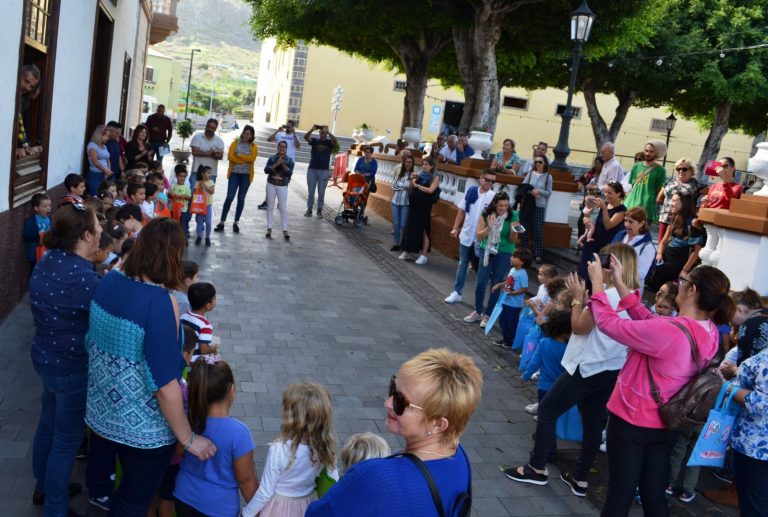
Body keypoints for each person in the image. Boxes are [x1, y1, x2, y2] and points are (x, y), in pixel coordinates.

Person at [85, 218, 217, 515]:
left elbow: (89, 342)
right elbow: (165, 384)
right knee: (133, 502)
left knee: (122, 496)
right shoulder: (160, 302)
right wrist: (189, 439)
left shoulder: (108, 281)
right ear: (173, 256)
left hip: (102, 415)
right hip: (144, 432)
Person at [587, 262, 734, 516]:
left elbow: (610, 325)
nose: (679, 285)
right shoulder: (708, 330)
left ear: (692, 290)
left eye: (683, 282)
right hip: (669, 422)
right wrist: (620, 285)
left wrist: (598, 286)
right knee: (653, 492)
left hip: (633, 421)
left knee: (620, 493)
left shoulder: (670, 330)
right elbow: (652, 323)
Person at [504, 244, 638, 499]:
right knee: (592, 424)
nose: (595, 264)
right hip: (610, 368)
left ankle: (537, 467)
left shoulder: (608, 295)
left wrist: (578, 299)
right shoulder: (634, 297)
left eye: (601, 260)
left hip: (587, 366)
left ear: (612, 265)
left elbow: (578, 327)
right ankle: (580, 477)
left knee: (547, 410)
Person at [306, 348, 482, 516]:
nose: (388, 403)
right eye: (392, 389)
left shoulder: (376, 477)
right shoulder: (459, 456)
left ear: (438, 424)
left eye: (401, 401)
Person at [28, 202, 102, 516]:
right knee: (65, 441)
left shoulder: (50, 260)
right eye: (97, 225)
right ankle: (56, 507)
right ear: (85, 235)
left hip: (46, 360)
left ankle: (44, 486)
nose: (101, 229)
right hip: (72, 369)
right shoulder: (83, 278)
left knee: (47, 425)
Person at [173, 358, 257, 517]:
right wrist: (259, 510)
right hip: (219, 508)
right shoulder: (239, 433)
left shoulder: (189, 421)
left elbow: (179, 450)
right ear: (231, 390)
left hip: (184, 496)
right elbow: (246, 480)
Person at [242, 383, 338, 517]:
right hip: (307, 505)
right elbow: (333, 480)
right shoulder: (325, 447)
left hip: (277, 509)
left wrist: (246, 513)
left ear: (292, 418)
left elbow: (265, 492)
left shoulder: (278, 449)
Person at [463, 191, 521, 327]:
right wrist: (489, 227)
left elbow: (513, 240)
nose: (503, 208)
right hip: (487, 250)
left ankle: (488, 314)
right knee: (481, 283)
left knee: (496, 284)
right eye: (501, 205)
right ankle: (478, 310)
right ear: (494, 204)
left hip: (504, 252)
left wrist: (514, 231)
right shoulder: (486, 214)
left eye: (506, 205)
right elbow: (479, 237)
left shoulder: (513, 215)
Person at [444, 169, 498, 303]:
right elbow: (462, 211)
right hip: (466, 235)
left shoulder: (494, 197)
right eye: (488, 180)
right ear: (481, 178)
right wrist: (455, 228)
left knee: (481, 271)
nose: (490, 183)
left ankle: (479, 301)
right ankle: (457, 292)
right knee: (463, 265)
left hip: (482, 239)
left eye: (493, 181)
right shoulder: (472, 192)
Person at [729, 347, 768, 516]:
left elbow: (762, 405)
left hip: (757, 447)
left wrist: (728, 388)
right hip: (754, 445)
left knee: (754, 507)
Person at [647, 192, 703, 292]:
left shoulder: (693, 223)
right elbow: (664, 242)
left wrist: (684, 270)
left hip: (679, 258)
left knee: (661, 274)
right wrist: (659, 253)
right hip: (668, 254)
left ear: (684, 203)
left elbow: (696, 251)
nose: (671, 204)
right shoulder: (674, 219)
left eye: (674, 201)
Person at [578, 181, 626, 289]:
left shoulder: (621, 210)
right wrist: (587, 221)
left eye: (610, 193)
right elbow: (595, 219)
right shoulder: (605, 204)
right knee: (583, 272)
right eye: (605, 192)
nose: (606, 195)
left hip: (605, 248)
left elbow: (608, 225)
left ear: (618, 194)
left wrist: (604, 209)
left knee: (597, 276)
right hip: (592, 242)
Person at [215, 125, 258, 233]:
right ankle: (222, 222)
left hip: (246, 176)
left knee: (241, 199)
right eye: (244, 132)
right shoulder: (235, 143)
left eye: (248, 134)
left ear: (251, 136)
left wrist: (238, 155)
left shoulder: (253, 147)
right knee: (229, 197)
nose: (245, 135)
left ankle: (236, 222)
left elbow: (252, 159)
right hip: (234, 174)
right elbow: (230, 157)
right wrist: (244, 160)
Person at [398, 157, 441, 265]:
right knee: (410, 227)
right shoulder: (419, 174)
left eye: (426, 164)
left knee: (424, 230)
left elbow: (431, 190)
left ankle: (424, 255)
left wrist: (417, 185)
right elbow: (410, 188)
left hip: (424, 207)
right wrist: (412, 181)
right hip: (414, 206)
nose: (424, 166)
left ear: (431, 166)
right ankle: (407, 250)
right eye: (423, 164)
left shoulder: (435, 177)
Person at [491, 247, 533, 348]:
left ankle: (510, 341)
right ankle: (506, 338)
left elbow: (524, 289)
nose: (511, 258)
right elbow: (509, 281)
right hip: (506, 302)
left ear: (521, 262)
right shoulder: (512, 270)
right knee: (502, 321)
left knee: (511, 323)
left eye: (514, 257)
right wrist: (499, 285)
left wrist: (512, 293)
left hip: (514, 305)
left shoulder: (523, 274)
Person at [610, 207, 656, 292]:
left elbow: (641, 274)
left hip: (630, 289)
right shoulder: (621, 235)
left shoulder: (647, 247)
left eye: (631, 222)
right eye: (625, 220)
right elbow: (608, 254)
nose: (626, 224)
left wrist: (619, 272)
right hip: (610, 283)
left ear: (642, 223)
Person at [259, 120, 301, 209]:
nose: (288, 127)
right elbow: (268, 139)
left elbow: (298, 146)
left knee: (285, 182)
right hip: (277, 160)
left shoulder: (295, 136)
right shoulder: (280, 134)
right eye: (287, 125)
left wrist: (294, 133)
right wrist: (278, 130)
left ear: (293, 127)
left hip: (288, 162)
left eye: (290, 126)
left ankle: (281, 203)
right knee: (272, 180)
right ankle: (267, 202)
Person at [623, 140, 667, 222]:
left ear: (657, 153)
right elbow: (632, 186)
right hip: (630, 205)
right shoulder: (636, 166)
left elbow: (659, 190)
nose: (647, 153)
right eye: (646, 150)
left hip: (646, 209)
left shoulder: (661, 170)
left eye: (651, 152)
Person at [656, 158, 699, 242]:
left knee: (675, 245)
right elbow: (659, 199)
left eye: (684, 169)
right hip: (666, 218)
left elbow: (711, 194)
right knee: (661, 243)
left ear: (691, 171)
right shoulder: (669, 182)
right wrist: (669, 206)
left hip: (683, 221)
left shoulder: (696, 184)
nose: (681, 171)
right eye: (678, 169)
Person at [520, 155, 553, 263]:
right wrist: (531, 191)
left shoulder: (548, 177)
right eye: (536, 162)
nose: (537, 164)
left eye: (540, 162)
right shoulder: (530, 174)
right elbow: (523, 187)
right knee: (524, 228)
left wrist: (539, 191)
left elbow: (549, 193)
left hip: (539, 205)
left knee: (538, 230)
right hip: (528, 204)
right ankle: (523, 251)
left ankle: (538, 254)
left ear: (545, 164)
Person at [304, 124, 338, 217]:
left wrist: (329, 132)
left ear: (326, 134)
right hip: (312, 169)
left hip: (324, 171)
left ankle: (319, 210)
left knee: (321, 192)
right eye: (321, 133)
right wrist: (312, 129)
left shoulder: (329, 143)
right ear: (319, 133)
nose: (323, 134)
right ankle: (309, 209)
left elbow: (335, 141)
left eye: (324, 133)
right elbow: (306, 137)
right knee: (311, 191)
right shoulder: (314, 141)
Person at [263, 140, 295, 241]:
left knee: (283, 208)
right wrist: (277, 163)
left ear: (286, 149)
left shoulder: (290, 160)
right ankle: (269, 228)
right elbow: (266, 170)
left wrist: (283, 164)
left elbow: (289, 173)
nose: (282, 148)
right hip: (271, 184)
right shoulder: (272, 158)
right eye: (280, 146)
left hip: (282, 186)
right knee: (270, 206)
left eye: (284, 147)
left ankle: (285, 229)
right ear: (277, 147)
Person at [180, 282, 217, 356]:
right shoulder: (205, 325)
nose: (215, 300)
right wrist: (213, 348)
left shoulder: (183, 316)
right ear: (208, 306)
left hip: (183, 355)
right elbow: (204, 350)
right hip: (195, 360)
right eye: (214, 298)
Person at [390, 153, 415, 251]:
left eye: (410, 162)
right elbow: (393, 186)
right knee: (396, 223)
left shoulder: (413, 175)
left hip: (406, 203)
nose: (408, 164)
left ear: (412, 164)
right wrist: (405, 187)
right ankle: (396, 243)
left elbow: (411, 188)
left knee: (403, 224)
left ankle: (403, 244)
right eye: (406, 162)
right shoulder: (399, 174)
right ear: (404, 163)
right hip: (395, 202)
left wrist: (401, 186)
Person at [190, 118, 225, 187]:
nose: (210, 129)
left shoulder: (219, 141)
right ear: (206, 126)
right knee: (194, 193)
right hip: (196, 171)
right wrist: (212, 152)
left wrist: (202, 152)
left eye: (212, 128)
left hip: (211, 174)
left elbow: (220, 156)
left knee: (208, 193)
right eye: (208, 126)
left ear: (216, 129)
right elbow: (194, 152)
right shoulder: (197, 137)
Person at [575, 158, 604, 240]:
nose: (597, 165)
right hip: (587, 202)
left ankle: (587, 241)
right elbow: (579, 180)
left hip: (596, 203)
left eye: (599, 163)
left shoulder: (603, 176)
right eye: (596, 163)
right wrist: (580, 184)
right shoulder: (590, 174)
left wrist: (594, 187)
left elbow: (604, 189)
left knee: (591, 224)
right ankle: (580, 241)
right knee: (581, 222)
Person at [23, 192, 52, 271]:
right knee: (35, 270)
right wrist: (37, 234)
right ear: (36, 208)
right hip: (35, 253)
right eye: (45, 206)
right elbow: (26, 235)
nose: (48, 208)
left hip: (47, 250)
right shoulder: (31, 221)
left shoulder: (50, 219)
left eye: (49, 205)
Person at [86, 124, 114, 196]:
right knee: (96, 194)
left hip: (105, 174)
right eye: (107, 136)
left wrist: (108, 170)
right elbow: (95, 162)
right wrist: (105, 170)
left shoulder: (104, 146)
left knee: (106, 195)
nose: (108, 138)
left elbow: (108, 159)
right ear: (100, 135)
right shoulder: (92, 145)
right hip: (95, 174)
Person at [193, 165, 215, 247]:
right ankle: (199, 236)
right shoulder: (198, 182)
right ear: (202, 174)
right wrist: (200, 187)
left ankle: (207, 237)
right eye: (208, 173)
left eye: (210, 173)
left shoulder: (211, 182)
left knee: (208, 222)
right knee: (199, 222)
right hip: (200, 205)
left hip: (208, 205)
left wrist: (205, 186)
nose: (210, 175)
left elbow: (212, 192)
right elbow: (195, 193)